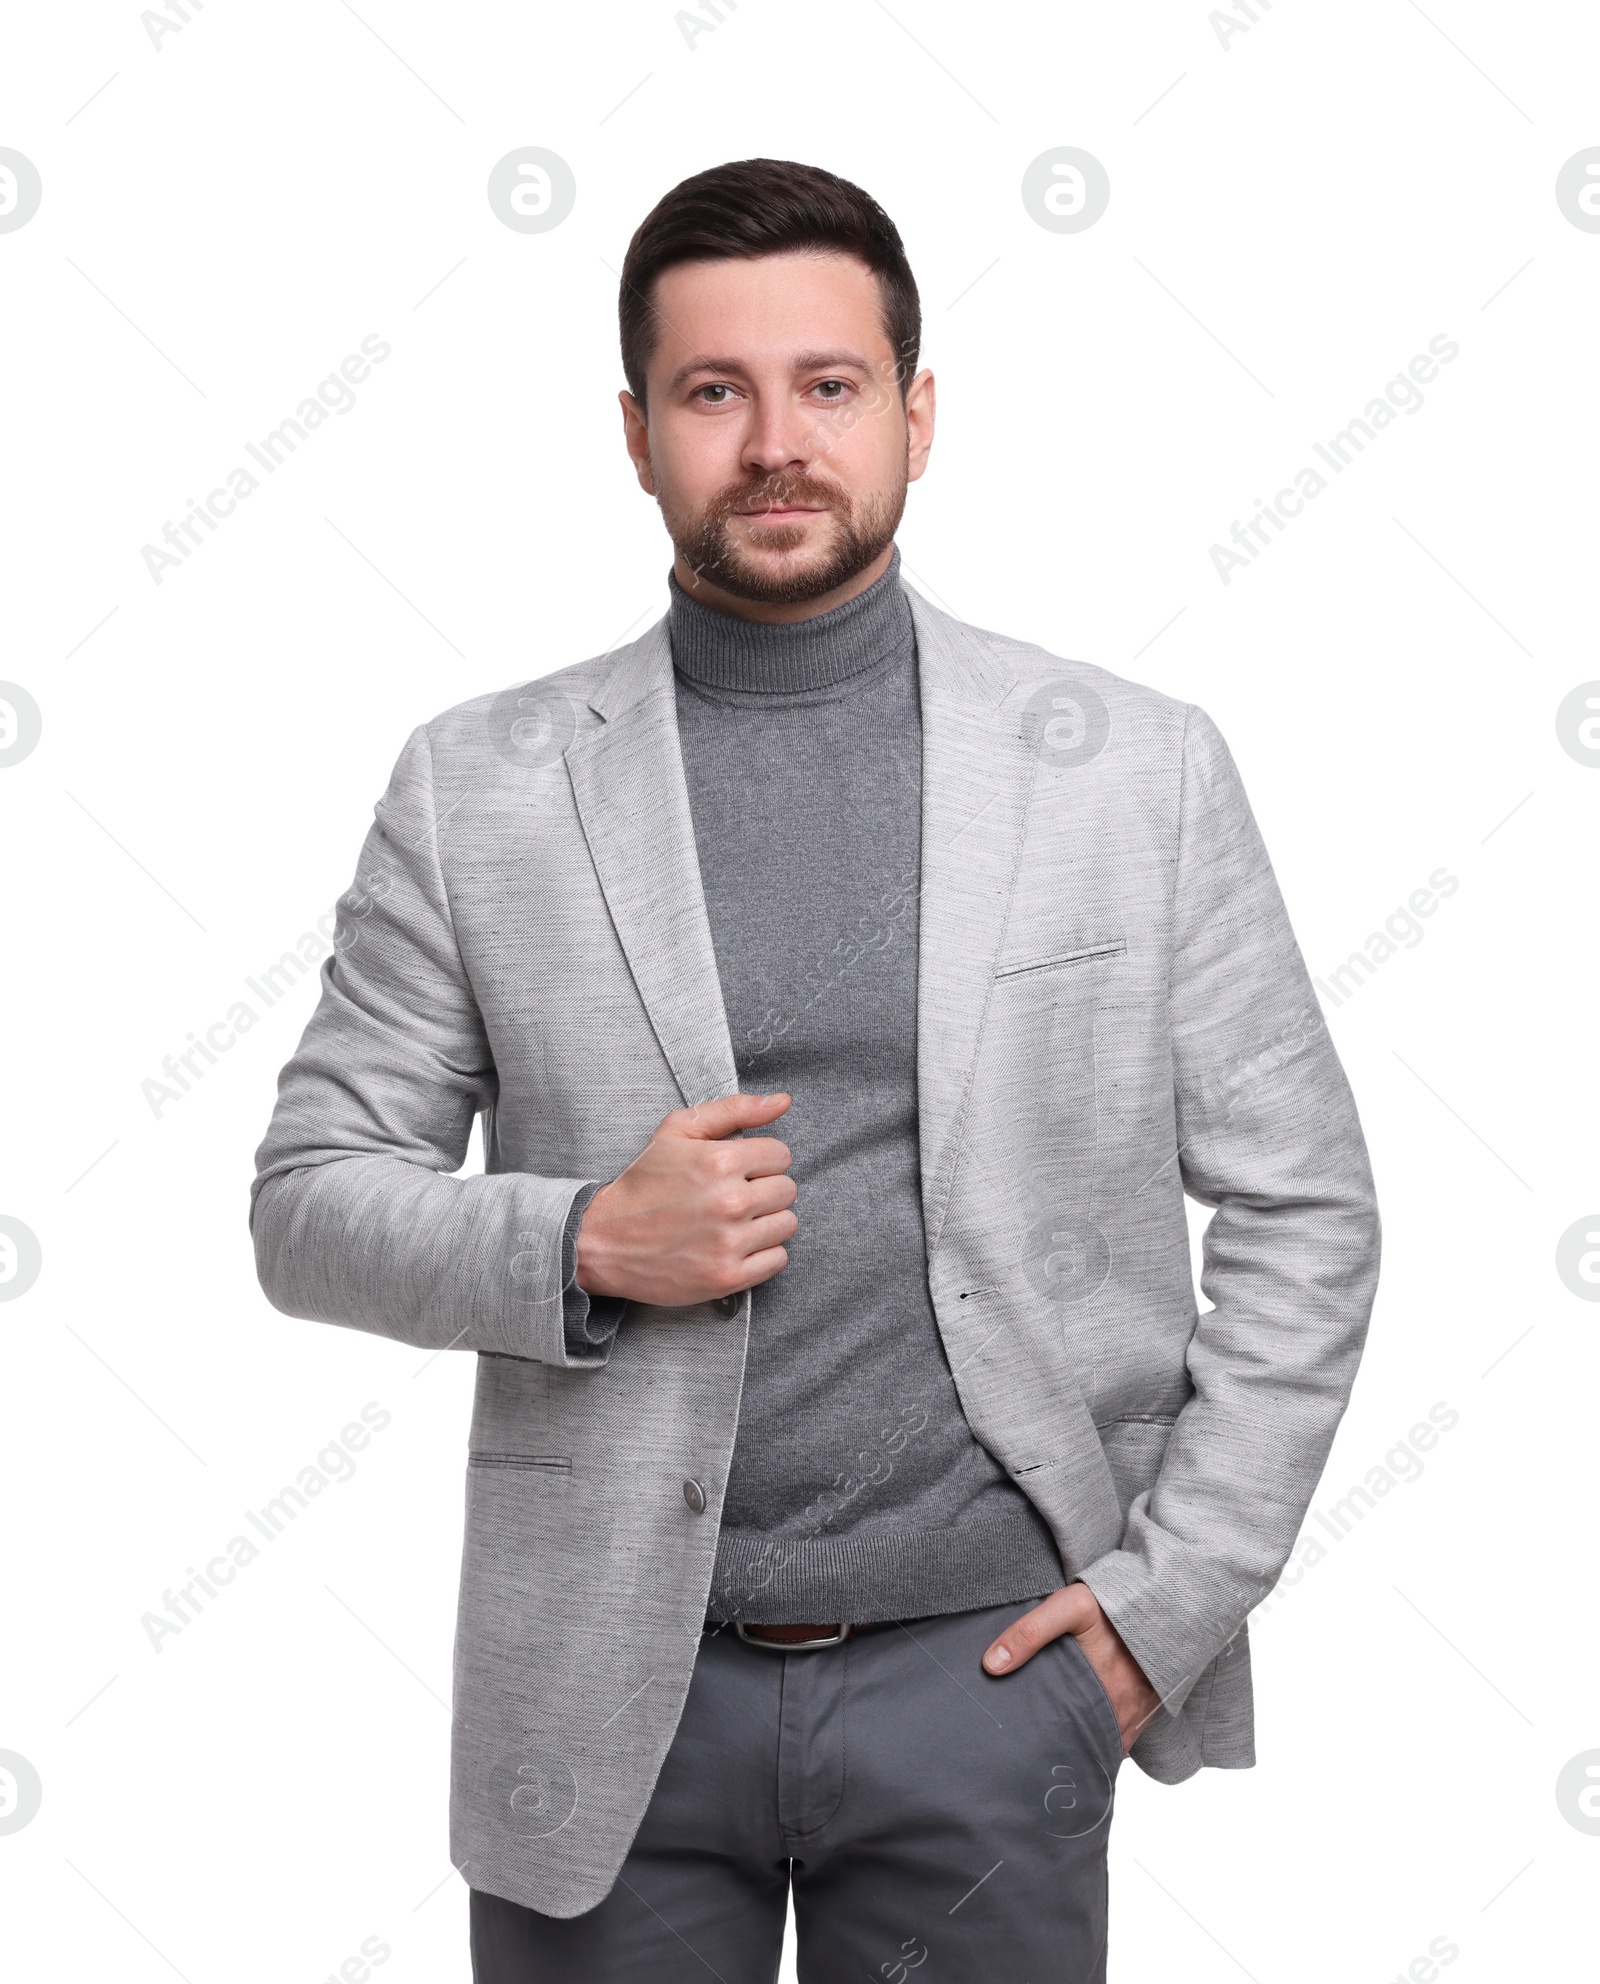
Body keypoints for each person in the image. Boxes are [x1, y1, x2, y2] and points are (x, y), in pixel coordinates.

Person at [251, 156, 1381, 1982]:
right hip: (609, 1704)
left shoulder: (1131, 772)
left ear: (918, 416)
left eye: (829, 386)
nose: (776, 441)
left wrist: (1163, 1610)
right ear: (636, 433)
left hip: (997, 1683)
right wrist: (582, 1245)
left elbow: (1307, 1204)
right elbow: (307, 1206)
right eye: (716, 392)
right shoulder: (484, 789)